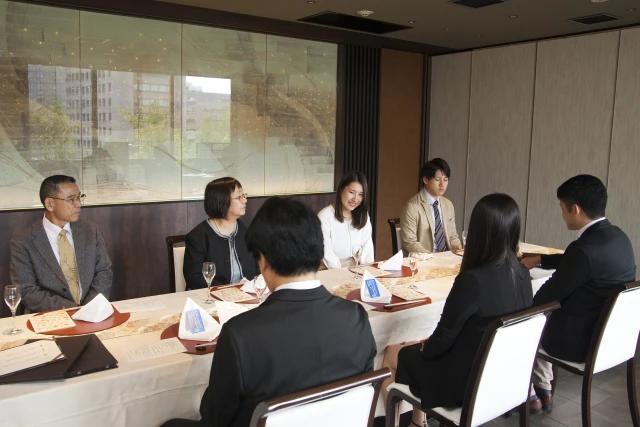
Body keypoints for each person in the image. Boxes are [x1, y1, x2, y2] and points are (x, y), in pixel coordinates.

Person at [161, 197, 376, 427]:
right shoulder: (356, 317)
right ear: (319, 250)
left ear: (263, 260)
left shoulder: (240, 334)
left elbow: (215, 418)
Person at [384, 194, 532, 426]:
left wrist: (427, 346)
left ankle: (413, 422)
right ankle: (417, 423)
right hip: (500, 378)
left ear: (478, 232)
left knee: (393, 352)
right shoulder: (522, 274)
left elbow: (442, 340)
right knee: (416, 347)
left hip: (462, 384)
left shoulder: (472, 280)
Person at [522, 175, 636, 411]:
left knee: (519, 321)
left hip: (578, 343)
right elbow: (577, 261)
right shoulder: (619, 237)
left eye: (562, 208)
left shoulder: (582, 250)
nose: (562, 214)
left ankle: (528, 397)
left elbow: (545, 298)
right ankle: (543, 389)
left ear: (575, 209)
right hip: (614, 340)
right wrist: (540, 259)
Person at [10, 175, 113, 312]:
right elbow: (27, 290)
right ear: (50, 204)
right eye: (71, 199)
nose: (78, 204)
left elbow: (104, 272)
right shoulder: (23, 241)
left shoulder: (90, 230)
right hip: (49, 316)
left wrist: (89, 308)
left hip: (92, 312)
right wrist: (73, 310)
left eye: (79, 197)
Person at [183, 177, 257, 288]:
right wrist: (229, 291)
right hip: (213, 295)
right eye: (239, 197)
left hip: (247, 293)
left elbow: (257, 263)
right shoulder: (198, 237)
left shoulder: (242, 228)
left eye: (243, 195)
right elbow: (195, 279)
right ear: (222, 201)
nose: (245, 200)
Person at [400, 158, 462, 255]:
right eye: (437, 179)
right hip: (424, 259)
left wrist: (460, 252)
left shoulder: (448, 205)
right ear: (425, 179)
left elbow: (453, 237)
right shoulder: (412, 207)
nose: (442, 184)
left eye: (445, 180)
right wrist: (432, 257)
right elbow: (410, 242)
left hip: (447, 258)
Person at [318, 171, 374, 269]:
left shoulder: (363, 215)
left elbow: (367, 250)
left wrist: (368, 271)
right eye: (351, 192)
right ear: (341, 190)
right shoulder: (325, 216)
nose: (355, 199)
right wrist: (343, 274)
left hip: (357, 269)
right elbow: (327, 253)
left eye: (360, 194)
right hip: (329, 270)